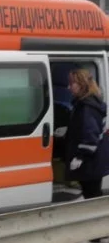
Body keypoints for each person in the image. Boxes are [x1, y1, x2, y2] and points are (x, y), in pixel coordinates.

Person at [65, 68, 109, 243]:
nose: (69, 87)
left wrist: (80, 157)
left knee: (92, 197)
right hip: (94, 161)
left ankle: (97, 234)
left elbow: (90, 135)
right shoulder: (86, 103)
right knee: (93, 196)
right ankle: (97, 232)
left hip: (90, 162)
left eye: (72, 83)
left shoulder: (87, 107)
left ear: (82, 85)